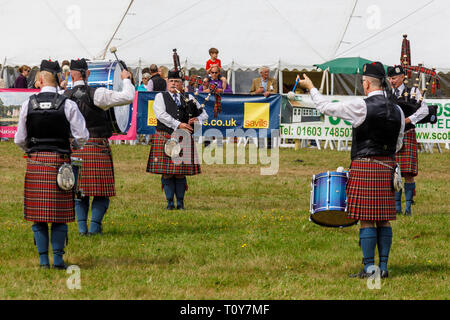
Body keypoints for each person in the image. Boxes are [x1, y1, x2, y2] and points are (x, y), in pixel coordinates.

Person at [298, 62, 405, 279]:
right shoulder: (398, 110)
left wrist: (311, 88)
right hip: (387, 167)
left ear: (366, 84)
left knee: (366, 218)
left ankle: (368, 268)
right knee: (383, 218)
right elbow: (399, 144)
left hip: (365, 166)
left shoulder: (361, 106)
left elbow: (326, 108)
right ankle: (383, 268)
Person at [14, 60, 89, 269]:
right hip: (60, 163)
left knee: (38, 215)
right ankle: (58, 259)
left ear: (39, 79)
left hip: (37, 163)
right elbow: (82, 135)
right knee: (59, 214)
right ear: (60, 78)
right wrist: (72, 144)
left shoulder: (27, 104)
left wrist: (31, 152)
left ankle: (43, 261)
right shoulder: (68, 104)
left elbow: (19, 139)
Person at [64, 58, 134, 235]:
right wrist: (126, 79)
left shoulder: (62, 96)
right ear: (88, 73)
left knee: (79, 191)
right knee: (101, 192)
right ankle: (94, 228)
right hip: (96, 146)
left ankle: (82, 229)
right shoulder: (98, 93)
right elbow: (127, 97)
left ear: (70, 75)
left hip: (74, 148)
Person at [146, 69, 208, 210]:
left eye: (177, 82)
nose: (174, 84)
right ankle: (169, 203)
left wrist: (196, 119)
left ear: (182, 84)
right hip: (165, 135)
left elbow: (205, 115)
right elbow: (161, 115)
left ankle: (180, 203)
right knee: (167, 172)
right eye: (171, 81)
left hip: (183, 137)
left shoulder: (189, 97)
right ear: (167, 83)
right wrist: (178, 124)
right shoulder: (160, 97)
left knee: (180, 172)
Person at [388, 65, 429, 216]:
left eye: (394, 78)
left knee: (409, 173)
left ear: (402, 77)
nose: (392, 81)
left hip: (408, 133)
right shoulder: (388, 94)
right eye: (390, 78)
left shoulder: (413, 91)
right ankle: (397, 207)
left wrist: (408, 119)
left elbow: (424, 110)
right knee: (395, 171)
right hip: (393, 135)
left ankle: (408, 208)